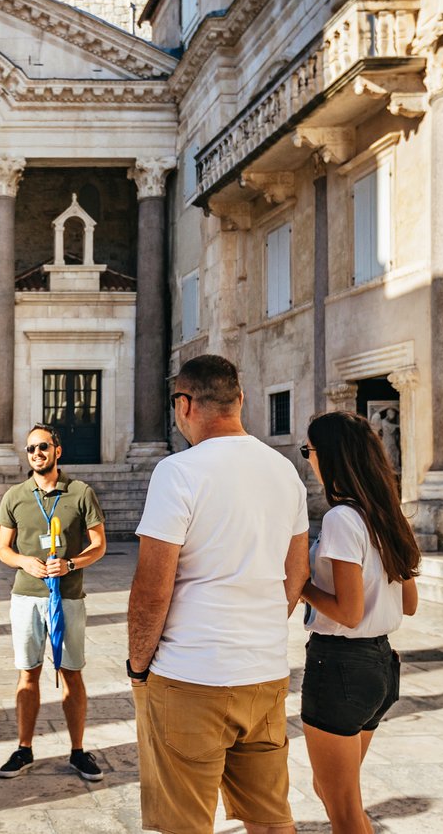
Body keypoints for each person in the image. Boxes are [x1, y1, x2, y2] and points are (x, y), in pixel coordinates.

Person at [127, 354, 310, 834]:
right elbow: (297, 571)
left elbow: (151, 588)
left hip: (191, 674)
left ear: (184, 404)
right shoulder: (284, 470)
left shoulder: (178, 472)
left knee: (183, 824)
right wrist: (261, 626)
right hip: (265, 672)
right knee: (271, 819)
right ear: (241, 399)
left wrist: (139, 666)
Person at [298, 411, 420, 834]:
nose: (307, 460)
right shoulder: (387, 515)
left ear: (328, 456)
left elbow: (348, 613)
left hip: (340, 666)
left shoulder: (341, 520)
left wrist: (300, 584)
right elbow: (409, 603)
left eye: (308, 451)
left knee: (343, 808)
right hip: (381, 666)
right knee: (335, 794)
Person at [0, 424, 107, 782]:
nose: (37, 454)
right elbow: (3, 549)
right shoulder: (15, 496)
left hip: (69, 597)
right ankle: (24, 748)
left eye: (43, 447)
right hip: (26, 596)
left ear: (57, 450)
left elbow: (98, 545)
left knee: (71, 672)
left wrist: (72, 563)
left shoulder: (80, 493)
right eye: (30, 449)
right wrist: (24, 561)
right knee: (28, 672)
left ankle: (78, 751)